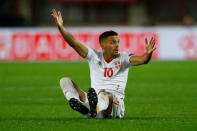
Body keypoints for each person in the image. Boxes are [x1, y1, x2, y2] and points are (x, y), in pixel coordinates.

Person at [51, 9, 156, 118]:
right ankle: (80, 105)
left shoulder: (124, 58)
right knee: (65, 81)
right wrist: (61, 28)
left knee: (104, 93)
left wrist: (148, 54)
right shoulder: (94, 56)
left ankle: (92, 110)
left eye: (118, 42)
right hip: (95, 101)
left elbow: (143, 60)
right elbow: (74, 43)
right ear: (103, 45)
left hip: (115, 106)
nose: (117, 45)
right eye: (113, 42)